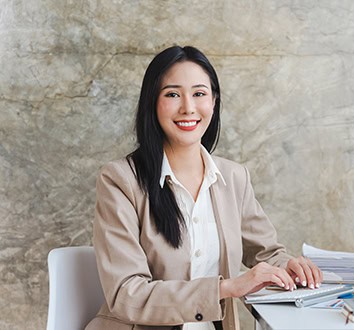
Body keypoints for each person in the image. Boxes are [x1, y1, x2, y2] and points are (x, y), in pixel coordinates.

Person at [86, 45, 322, 330]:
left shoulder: (233, 178)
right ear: (152, 103)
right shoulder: (120, 181)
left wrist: (289, 268)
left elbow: (267, 254)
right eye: (172, 94)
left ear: (213, 101)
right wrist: (227, 288)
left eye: (199, 93)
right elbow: (127, 294)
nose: (188, 107)